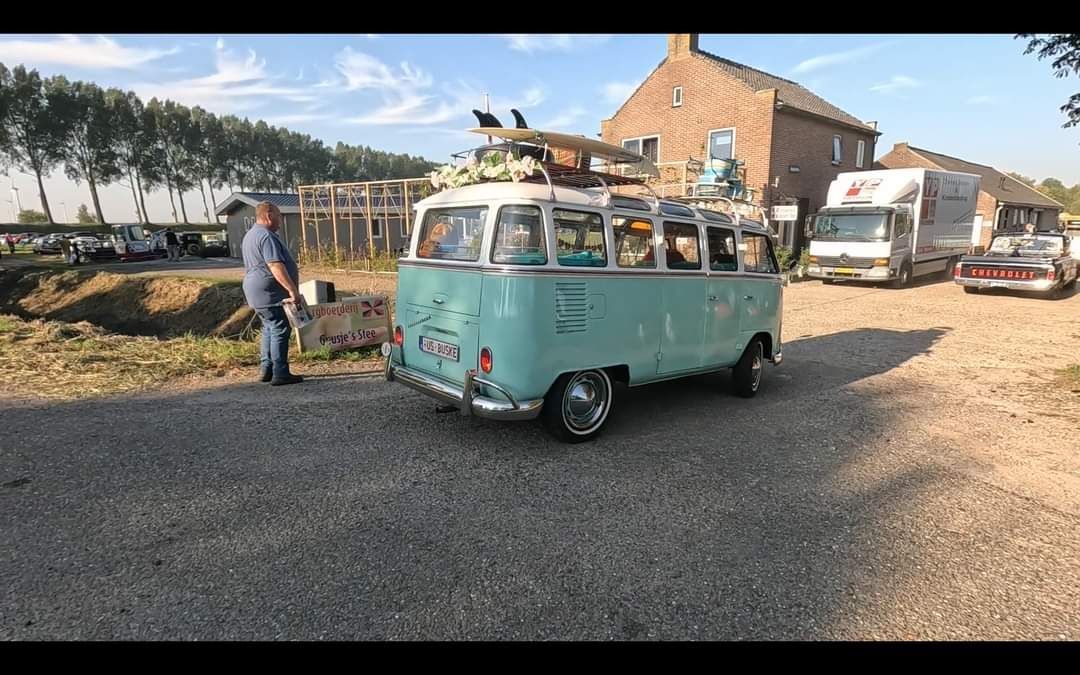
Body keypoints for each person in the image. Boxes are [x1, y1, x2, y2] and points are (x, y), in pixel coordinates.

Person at [241, 201, 303, 386]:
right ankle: (280, 372)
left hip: (255, 291)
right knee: (280, 329)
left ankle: (266, 369)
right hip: (271, 292)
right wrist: (292, 290)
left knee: (269, 328)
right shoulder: (266, 236)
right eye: (279, 216)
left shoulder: (250, 235)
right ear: (269, 216)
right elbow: (275, 265)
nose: (280, 221)